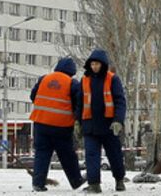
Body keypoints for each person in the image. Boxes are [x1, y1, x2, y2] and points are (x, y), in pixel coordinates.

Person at [29, 57, 85, 192]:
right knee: (67, 155)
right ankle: (76, 181)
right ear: (72, 71)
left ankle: (38, 183)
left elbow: (32, 96)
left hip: (40, 123)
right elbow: (79, 104)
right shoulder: (72, 83)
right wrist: (78, 120)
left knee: (42, 153)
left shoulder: (44, 79)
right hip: (61, 125)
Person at [79, 49, 127, 193]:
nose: (94, 67)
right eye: (92, 64)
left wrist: (118, 120)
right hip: (90, 126)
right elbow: (79, 103)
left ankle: (119, 180)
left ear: (103, 65)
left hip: (109, 126)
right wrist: (77, 121)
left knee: (115, 155)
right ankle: (94, 184)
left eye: (97, 64)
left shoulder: (112, 79)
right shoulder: (84, 80)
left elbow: (120, 101)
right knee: (91, 156)